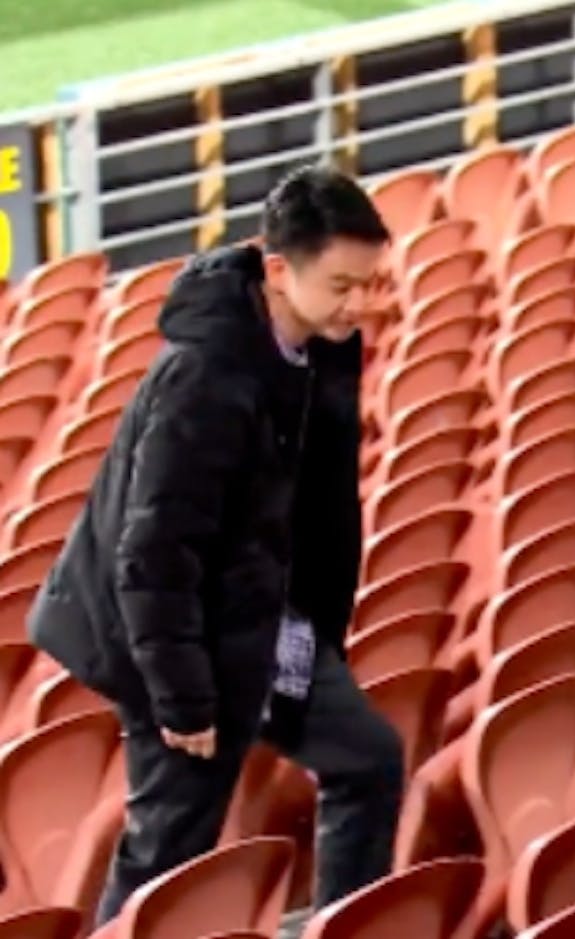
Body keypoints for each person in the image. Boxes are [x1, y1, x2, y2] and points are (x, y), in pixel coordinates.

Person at [27, 166, 403, 924]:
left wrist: (312, 634)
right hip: (177, 645)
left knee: (369, 758)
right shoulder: (203, 377)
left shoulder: (327, 344)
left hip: (266, 622)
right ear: (276, 270)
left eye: (370, 283)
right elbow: (155, 553)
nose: (360, 304)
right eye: (341, 285)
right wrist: (184, 697)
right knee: (168, 851)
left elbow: (314, 502)